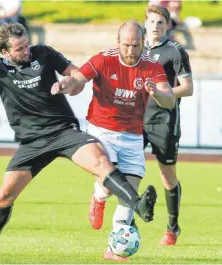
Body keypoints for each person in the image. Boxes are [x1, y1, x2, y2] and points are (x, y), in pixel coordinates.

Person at [0, 22, 157, 255]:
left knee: (101, 163)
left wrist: (69, 86)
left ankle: (137, 204)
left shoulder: (44, 54)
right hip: (32, 142)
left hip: (64, 131)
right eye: (19, 49)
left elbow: (75, 77)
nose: (26, 51)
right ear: (5, 53)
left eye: (27, 45)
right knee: (5, 195)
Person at [53, 20, 175, 261]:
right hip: (101, 130)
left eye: (136, 45)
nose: (131, 51)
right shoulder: (103, 59)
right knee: (112, 179)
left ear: (144, 44)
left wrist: (157, 93)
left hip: (133, 134)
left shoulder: (152, 66)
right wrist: (65, 83)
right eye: (126, 45)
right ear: (117, 42)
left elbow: (169, 99)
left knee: (129, 191)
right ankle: (99, 196)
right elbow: (78, 77)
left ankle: (114, 248)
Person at [88, 5, 193, 247]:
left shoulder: (175, 51)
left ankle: (172, 229)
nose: (156, 26)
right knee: (119, 174)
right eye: (152, 22)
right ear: (145, 25)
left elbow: (188, 88)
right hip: (133, 121)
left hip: (164, 121)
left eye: (160, 22)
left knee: (167, 177)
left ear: (167, 25)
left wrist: (159, 91)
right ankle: (123, 223)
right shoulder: (134, 50)